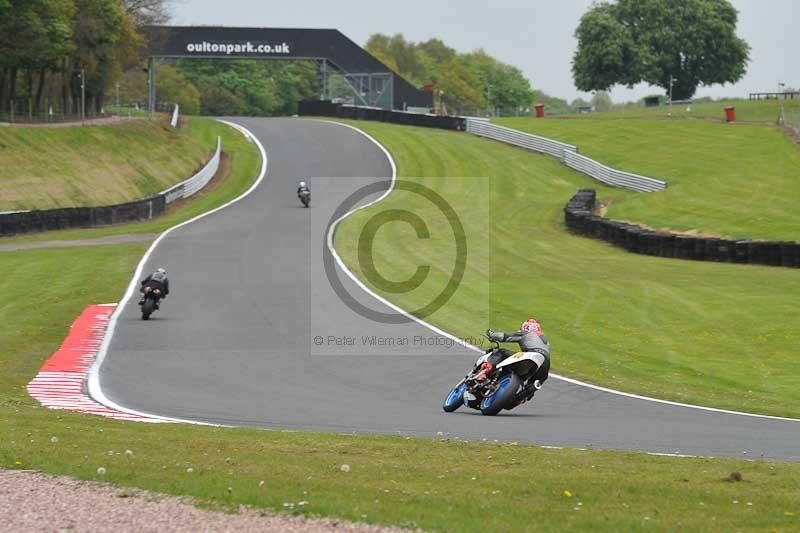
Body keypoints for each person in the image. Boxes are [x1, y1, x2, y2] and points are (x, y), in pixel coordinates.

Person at [476, 318, 551, 403]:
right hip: (545, 365)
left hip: (531, 355)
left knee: (501, 352)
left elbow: (504, 337)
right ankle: (521, 398)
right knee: (532, 385)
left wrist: (491, 334)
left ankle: (484, 372)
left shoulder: (526, 333)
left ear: (525, 327)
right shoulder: (546, 342)